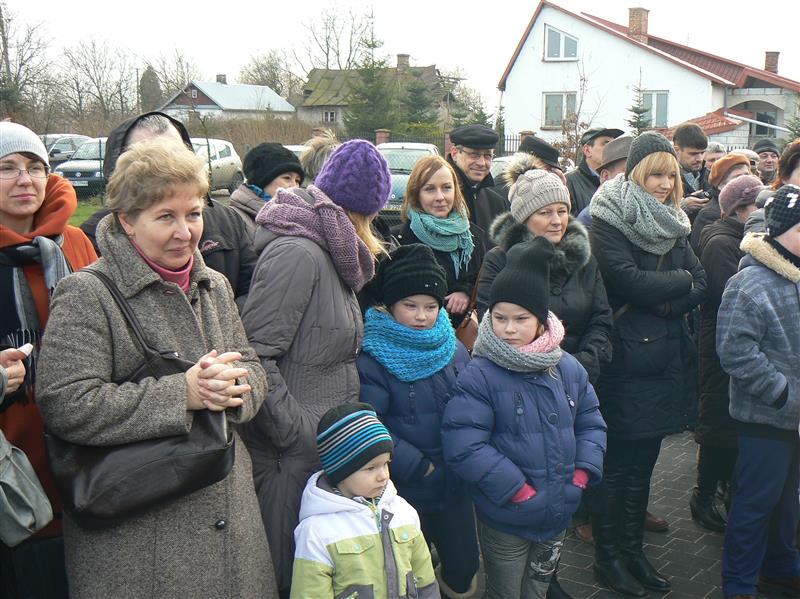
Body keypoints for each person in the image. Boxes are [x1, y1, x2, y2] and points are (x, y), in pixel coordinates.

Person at [35, 138, 275, 598]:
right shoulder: (88, 293)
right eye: (166, 217)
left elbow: (251, 367)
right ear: (127, 220)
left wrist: (234, 387)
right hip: (140, 541)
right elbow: (66, 403)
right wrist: (184, 393)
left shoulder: (214, 284)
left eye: (193, 213)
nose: (185, 232)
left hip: (231, 525)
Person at [239, 139, 391, 597]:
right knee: (289, 578)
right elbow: (254, 352)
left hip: (320, 451)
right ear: (357, 211)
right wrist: (298, 431)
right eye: (370, 216)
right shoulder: (299, 253)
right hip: (290, 457)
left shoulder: (333, 252)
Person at [442, 237, 607, 599]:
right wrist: (515, 489)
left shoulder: (567, 368)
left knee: (538, 589)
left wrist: (581, 473)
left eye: (521, 319)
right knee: (505, 592)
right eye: (500, 318)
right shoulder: (480, 373)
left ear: (541, 321)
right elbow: (464, 444)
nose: (509, 328)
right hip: (507, 516)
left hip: (558, 511)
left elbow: (591, 421)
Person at [589, 131, 707, 596]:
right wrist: (675, 289)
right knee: (617, 468)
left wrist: (664, 302)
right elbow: (626, 280)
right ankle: (608, 559)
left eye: (670, 175)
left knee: (643, 468)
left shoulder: (674, 220)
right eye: (656, 175)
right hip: (626, 362)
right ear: (636, 173)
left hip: (665, 359)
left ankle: (633, 551)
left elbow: (700, 282)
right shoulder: (608, 217)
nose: (665, 184)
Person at [0, 122, 97, 599]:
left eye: (35, 167)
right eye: (7, 168)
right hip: (12, 463)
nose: (25, 179)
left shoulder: (74, 242)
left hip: (81, 452)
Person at [358, 244, 479, 599]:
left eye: (431, 306)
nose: (422, 316)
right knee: (410, 571)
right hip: (409, 486)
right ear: (390, 305)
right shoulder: (373, 357)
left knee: (464, 567)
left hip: (456, 480)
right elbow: (372, 420)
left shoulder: (453, 348)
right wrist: (417, 465)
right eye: (410, 306)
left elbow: (474, 402)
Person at [717, 184, 800, 599]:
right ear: (782, 230)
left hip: (795, 419)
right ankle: (739, 583)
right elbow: (734, 351)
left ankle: (780, 566)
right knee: (754, 503)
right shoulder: (749, 283)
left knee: (788, 501)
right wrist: (783, 393)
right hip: (766, 416)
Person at [80, 111, 257, 301]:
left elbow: (251, 292)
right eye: (147, 156)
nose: (165, 166)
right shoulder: (91, 240)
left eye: (175, 154)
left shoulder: (227, 222)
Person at [477, 164, 612, 383]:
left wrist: (583, 364)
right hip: (520, 377)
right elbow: (493, 322)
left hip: (580, 376)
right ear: (524, 218)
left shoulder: (585, 259)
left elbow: (601, 319)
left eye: (562, 211)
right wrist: (541, 366)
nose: (557, 221)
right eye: (545, 213)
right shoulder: (499, 260)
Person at [291, 403, 440, 599]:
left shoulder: (403, 512)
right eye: (371, 468)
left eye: (386, 464)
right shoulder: (316, 531)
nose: (383, 475)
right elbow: (309, 593)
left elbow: (425, 580)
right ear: (341, 471)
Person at [692, 175, 763, 534]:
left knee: (729, 427)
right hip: (720, 343)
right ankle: (703, 496)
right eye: (755, 206)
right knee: (718, 423)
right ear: (738, 209)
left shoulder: (741, 238)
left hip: (732, 341)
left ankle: (724, 491)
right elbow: (728, 297)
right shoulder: (722, 242)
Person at [394, 156, 483, 326]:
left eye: (446, 188)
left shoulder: (473, 237)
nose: (440, 197)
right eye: (430, 189)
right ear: (416, 194)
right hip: (415, 332)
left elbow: (485, 282)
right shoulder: (400, 241)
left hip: (462, 332)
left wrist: (466, 292)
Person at [447, 124, 509, 250]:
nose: (482, 163)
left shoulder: (496, 202)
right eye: (474, 155)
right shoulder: (441, 199)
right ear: (455, 153)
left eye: (487, 156)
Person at [230, 143, 305, 238]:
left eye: (297, 180)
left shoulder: (301, 217)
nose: (294, 186)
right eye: (287, 178)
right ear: (261, 181)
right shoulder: (234, 221)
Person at [689, 152, 752, 254]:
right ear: (721, 185)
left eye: (747, 175)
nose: (745, 181)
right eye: (737, 178)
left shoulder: (752, 206)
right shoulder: (710, 214)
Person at [576, 135, 633, 231]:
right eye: (627, 171)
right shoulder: (590, 219)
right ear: (606, 176)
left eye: (639, 171)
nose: (635, 177)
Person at [565, 127, 623, 216]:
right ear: (587, 150)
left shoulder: (618, 179)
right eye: (606, 143)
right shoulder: (569, 181)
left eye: (613, 144)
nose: (612, 149)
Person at [745, 141, 800, 234]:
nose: (769, 160)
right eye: (764, 156)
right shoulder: (763, 219)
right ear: (785, 177)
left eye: (773, 156)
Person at [493, 136, 565, 200]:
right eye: (548, 169)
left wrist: (560, 190)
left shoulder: (540, 189)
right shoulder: (498, 191)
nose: (550, 175)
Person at [673, 123, 712, 223]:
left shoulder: (711, 176)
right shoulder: (666, 179)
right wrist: (683, 207)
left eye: (702, 153)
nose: (699, 158)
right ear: (677, 150)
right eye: (693, 154)